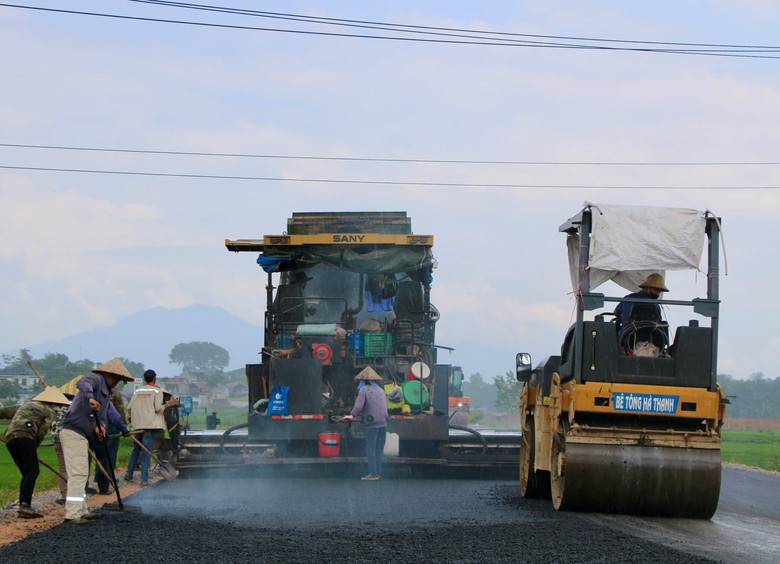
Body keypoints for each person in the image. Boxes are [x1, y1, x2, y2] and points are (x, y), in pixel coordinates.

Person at [60, 358, 132, 525]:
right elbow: (82, 382)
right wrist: (90, 398)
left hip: (83, 435)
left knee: (82, 473)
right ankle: (72, 514)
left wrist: (102, 428)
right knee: (78, 473)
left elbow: (105, 416)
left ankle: (82, 510)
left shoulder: (107, 394)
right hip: (73, 432)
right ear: (111, 375)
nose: (118, 382)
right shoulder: (97, 380)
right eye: (118, 379)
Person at [1, 387, 71, 518]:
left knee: (27, 472)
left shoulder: (25, 405)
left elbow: (3, 412)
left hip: (10, 439)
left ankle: (24, 505)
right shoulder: (49, 411)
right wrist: (34, 446)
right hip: (26, 437)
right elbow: (43, 430)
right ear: (53, 403)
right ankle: (25, 506)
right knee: (33, 471)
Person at [125, 369, 179, 486]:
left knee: (136, 450)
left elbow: (129, 408)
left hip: (137, 426)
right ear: (154, 379)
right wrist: (170, 404)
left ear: (145, 379)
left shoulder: (138, 391)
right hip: (149, 426)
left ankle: (128, 473)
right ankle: (144, 479)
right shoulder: (157, 391)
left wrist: (131, 418)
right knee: (146, 451)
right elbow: (159, 408)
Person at [343, 366, 388, 481]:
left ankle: (373, 474)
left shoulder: (364, 390)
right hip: (383, 423)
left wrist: (352, 415)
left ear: (364, 381)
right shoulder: (381, 390)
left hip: (372, 424)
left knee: (371, 449)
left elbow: (358, 406)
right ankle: (378, 472)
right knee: (379, 449)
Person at [614, 273, 670, 350]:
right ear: (647, 287)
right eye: (656, 290)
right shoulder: (655, 305)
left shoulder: (628, 298)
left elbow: (616, 312)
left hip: (627, 340)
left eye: (660, 291)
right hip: (652, 342)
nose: (658, 293)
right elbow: (658, 324)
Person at [93, 386, 128, 495]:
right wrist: (124, 429)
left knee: (97, 456)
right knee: (108, 456)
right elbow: (117, 416)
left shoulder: (91, 392)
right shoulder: (111, 393)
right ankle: (105, 483)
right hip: (108, 427)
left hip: (91, 428)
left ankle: (98, 478)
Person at [50, 394, 75, 504]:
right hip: (68, 439)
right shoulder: (74, 408)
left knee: (62, 468)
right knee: (73, 467)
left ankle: (65, 495)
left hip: (56, 440)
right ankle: (73, 495)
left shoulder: (57, 410)